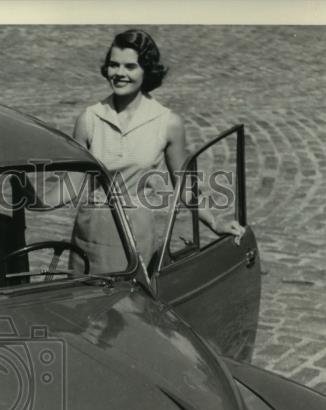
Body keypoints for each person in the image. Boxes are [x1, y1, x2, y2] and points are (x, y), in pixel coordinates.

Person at [70, 29, 245, 274]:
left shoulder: (167, 123)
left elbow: (184, 187)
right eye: (114, 65)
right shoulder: (89, 119)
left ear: (146, 70)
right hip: (88, 238)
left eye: (130, 67)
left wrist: (214, 221)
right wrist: (29, 194)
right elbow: (69, 185)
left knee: (131, 309)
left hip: (135, 240)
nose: (120, 73)